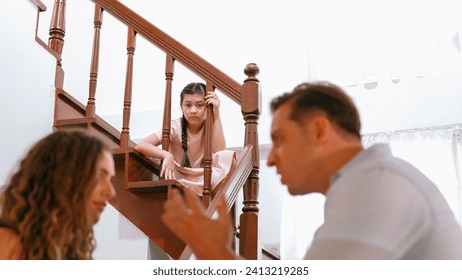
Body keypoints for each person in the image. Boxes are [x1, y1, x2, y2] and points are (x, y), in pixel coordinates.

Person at [161, 81, 462, 260]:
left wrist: (217, 253)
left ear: (319, 131)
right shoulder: (365, 183)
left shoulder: (376, 189)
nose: (272, 160)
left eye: (279, 141)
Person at [0, 129, 116, 259]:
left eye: (110, 179)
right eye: (99, 175)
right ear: (64, 177)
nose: (111, 192)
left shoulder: (70, 248)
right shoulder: (7, 245)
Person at [135, 82, 235, 195]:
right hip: (179, 176)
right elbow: (141, 145)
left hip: (202, 178)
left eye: (199, 105)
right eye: (188, 105)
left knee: (228, 157)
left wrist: (216, 112)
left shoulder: (210, 125)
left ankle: (213, 207)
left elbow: (220, 151)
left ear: (207, 106)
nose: (193, 110)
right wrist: (166, 155)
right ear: (181, 106)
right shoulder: (174, 125)